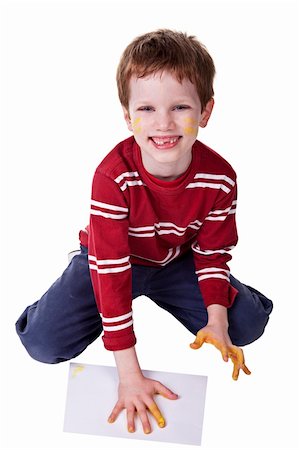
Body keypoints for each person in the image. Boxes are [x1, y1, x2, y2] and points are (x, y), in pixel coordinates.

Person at [16, 29, 273, 435]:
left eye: (180, 107)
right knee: (43, 345)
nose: (164, 123)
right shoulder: (112, 175)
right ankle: (55, 298)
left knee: (246, 326)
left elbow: (212, 251)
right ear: (127, 114)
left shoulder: (220, 178)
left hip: (175, 260)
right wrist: (129, 374)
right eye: (148, 108)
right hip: (111, 260)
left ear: (205, 112)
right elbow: (113, 270)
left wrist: (217, 317)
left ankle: (233, 301)